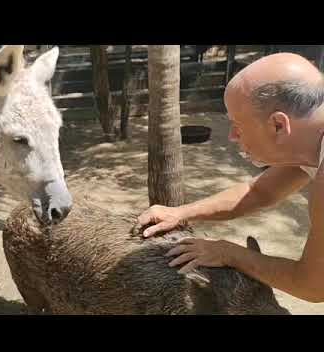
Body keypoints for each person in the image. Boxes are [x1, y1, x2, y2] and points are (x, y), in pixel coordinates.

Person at [138, 52, 324, 303]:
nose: (232, 137)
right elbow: (259, 192)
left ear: (279, 125)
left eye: (239, 125)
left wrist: (228, 252)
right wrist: (180, 213)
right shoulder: (309, 140)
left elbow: (312, 285)